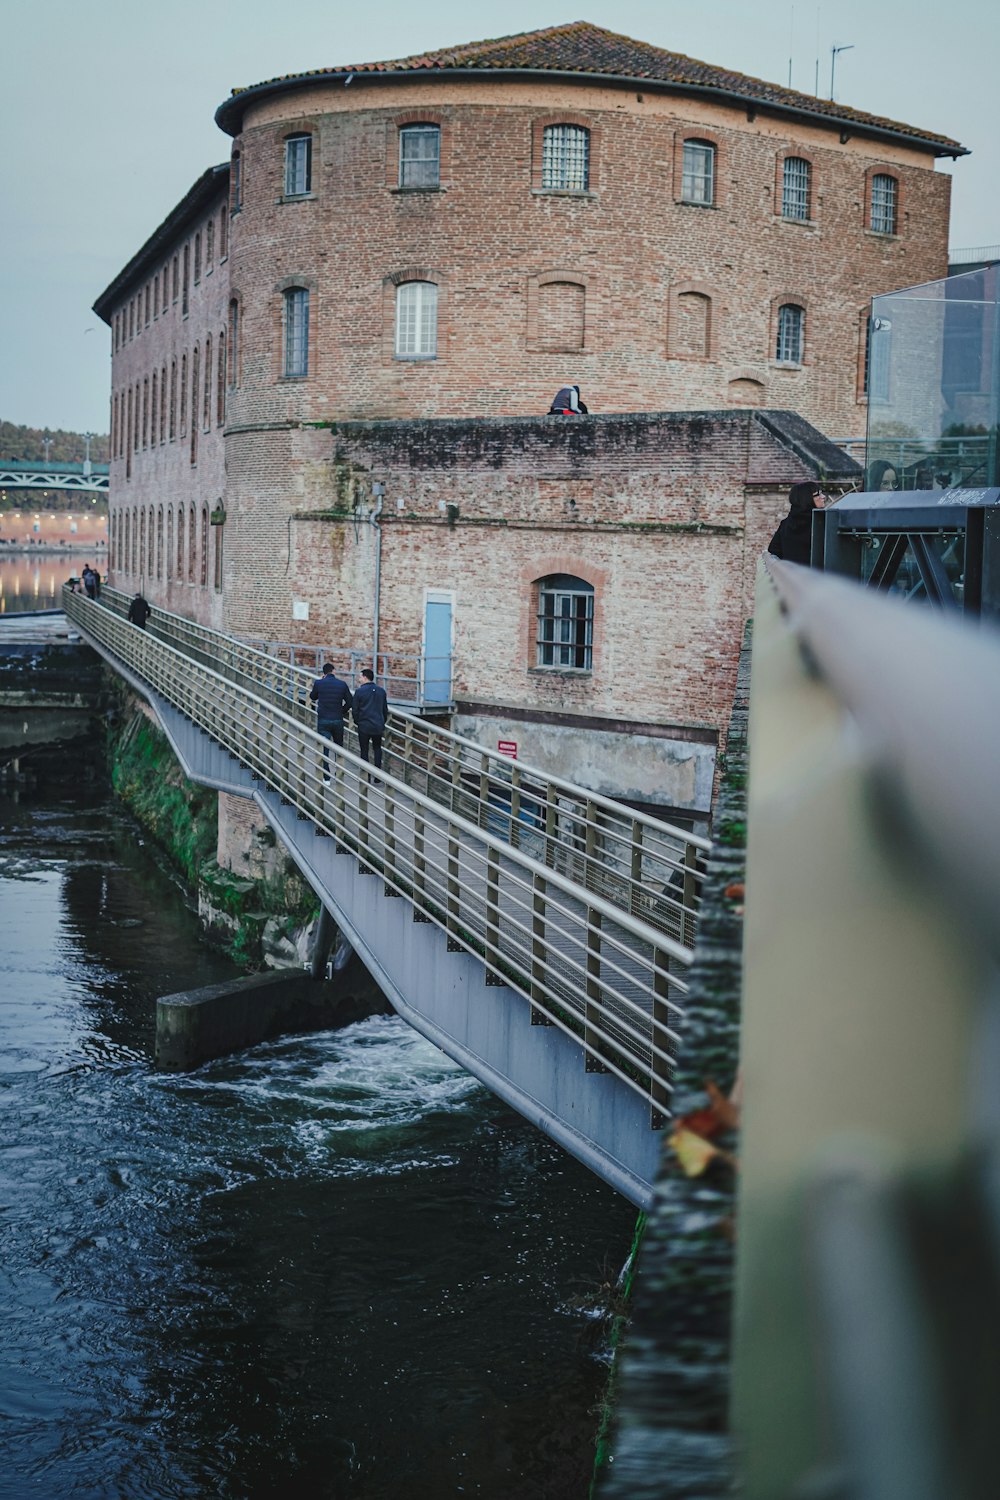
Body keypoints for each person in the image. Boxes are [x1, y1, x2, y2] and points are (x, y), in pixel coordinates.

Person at [767, 481, 827, 566]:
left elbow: (774, 549)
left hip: (791, 576)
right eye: (818, 494)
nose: (823, 497)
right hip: (816, 577)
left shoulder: (786, 523)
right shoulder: (821, 522)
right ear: (807, 499)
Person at [310, 663, 353, 777]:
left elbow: (312, 697)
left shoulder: (319, 683)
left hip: (323, 719)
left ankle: (326, 776)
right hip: (337, 719)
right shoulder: (342, 684)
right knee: (339, 747)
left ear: (324, 673)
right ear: (333, 671)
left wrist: (320, 682)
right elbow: (350, 702)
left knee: (324, 748)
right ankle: (339, 773)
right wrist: (342, 710)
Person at [352, 668, 390, 770]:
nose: (359, 679)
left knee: (364, 750)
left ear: (365, 677)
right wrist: (382, 721)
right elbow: (384, 710)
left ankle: (366, 775)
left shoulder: (359, 692)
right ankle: (377, 775)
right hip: (378, 725)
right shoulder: (381, 691)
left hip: (364, 725)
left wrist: (357, 721)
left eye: (360, 677)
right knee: (377, 749)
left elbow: (355, 710)